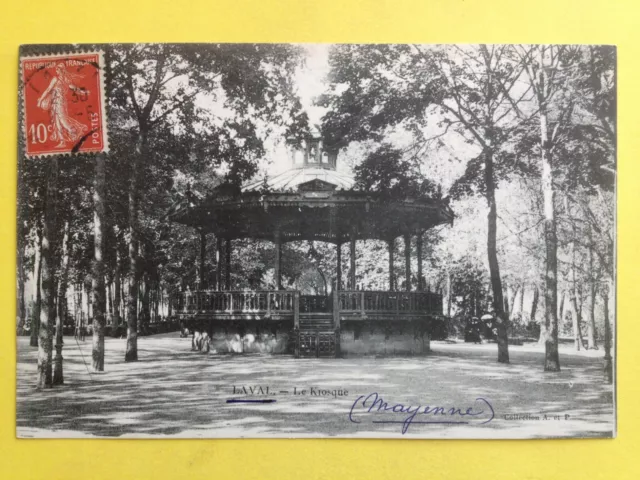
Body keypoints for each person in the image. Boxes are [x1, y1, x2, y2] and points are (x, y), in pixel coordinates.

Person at [37, 63, 88, 148]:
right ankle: (62, 142)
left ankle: (76, 132)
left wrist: (83, 92)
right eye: (57, 69)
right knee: (57, 122)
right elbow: (48, 90)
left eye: (58, 69)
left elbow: (74, 88)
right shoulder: (56, 79)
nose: (57, 71)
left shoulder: (64, 80)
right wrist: (41, 100)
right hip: (54, 102)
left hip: (60, 102)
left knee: (63, 120)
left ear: (62, 70)